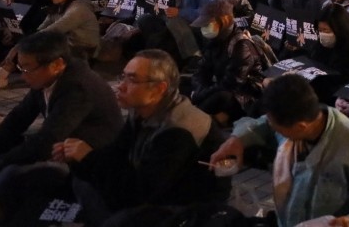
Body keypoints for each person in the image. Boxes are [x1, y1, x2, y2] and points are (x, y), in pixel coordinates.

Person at [210, 74, 349, 227]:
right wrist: (237, 140)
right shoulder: (295, 117)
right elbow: (263, 124)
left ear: (300, 127)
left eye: (277, 128)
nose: (272, 128)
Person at [57, 49, 231, 223]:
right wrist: (78, 156)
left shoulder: (179, 130)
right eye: (123, 77)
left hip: (192, 208)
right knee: (82, 183)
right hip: (155, 189)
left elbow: (140, 193)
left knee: (113, 213)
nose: (121, 86)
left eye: (131, 80)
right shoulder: (143, 110)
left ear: (158, 89)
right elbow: (116, 153)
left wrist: (88, 158)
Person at [0, 32, 122, 221]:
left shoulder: (78, 87)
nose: (23, 75)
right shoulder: (47, 79)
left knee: (10, 174)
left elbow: (47, 141)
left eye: (27, 68)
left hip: (86, 162)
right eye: (21, 67)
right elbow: (18, 118)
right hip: (59, 148)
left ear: (56, 64)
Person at [190, 0, 266, 126]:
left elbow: (231, 83)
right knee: (185, 84)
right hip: (219, 87)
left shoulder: (241, 45)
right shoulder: (215, 41)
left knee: (221, 96)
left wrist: (200, 95)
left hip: (242, 97)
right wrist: (199, 89)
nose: (204, 28)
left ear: (224, 20)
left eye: (208, 24)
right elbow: (202, 70)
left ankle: (194, 120)